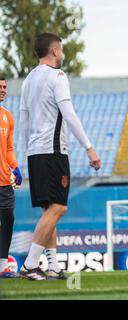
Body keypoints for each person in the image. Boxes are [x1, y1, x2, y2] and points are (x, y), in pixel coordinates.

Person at [19, 33, 101, 280]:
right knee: (59, 206)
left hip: (35, 152)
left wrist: (27, 153)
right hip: (53, 151)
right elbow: (69, 113)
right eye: (61, 51)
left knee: (48, 209)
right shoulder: (57, 76)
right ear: (55, 51)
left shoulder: (28, 79)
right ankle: (30, 264)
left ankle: (52, 265)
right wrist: (88, 147)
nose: (62, 55)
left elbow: (23, 120)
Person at [0, 76, 22, 278]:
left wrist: (15, 166)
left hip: (5, 182)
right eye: (0, 87)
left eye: (5, 86)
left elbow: (8, 148)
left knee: (8, 220)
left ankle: (3, 266)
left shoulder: (8, 117)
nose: (3, 90)